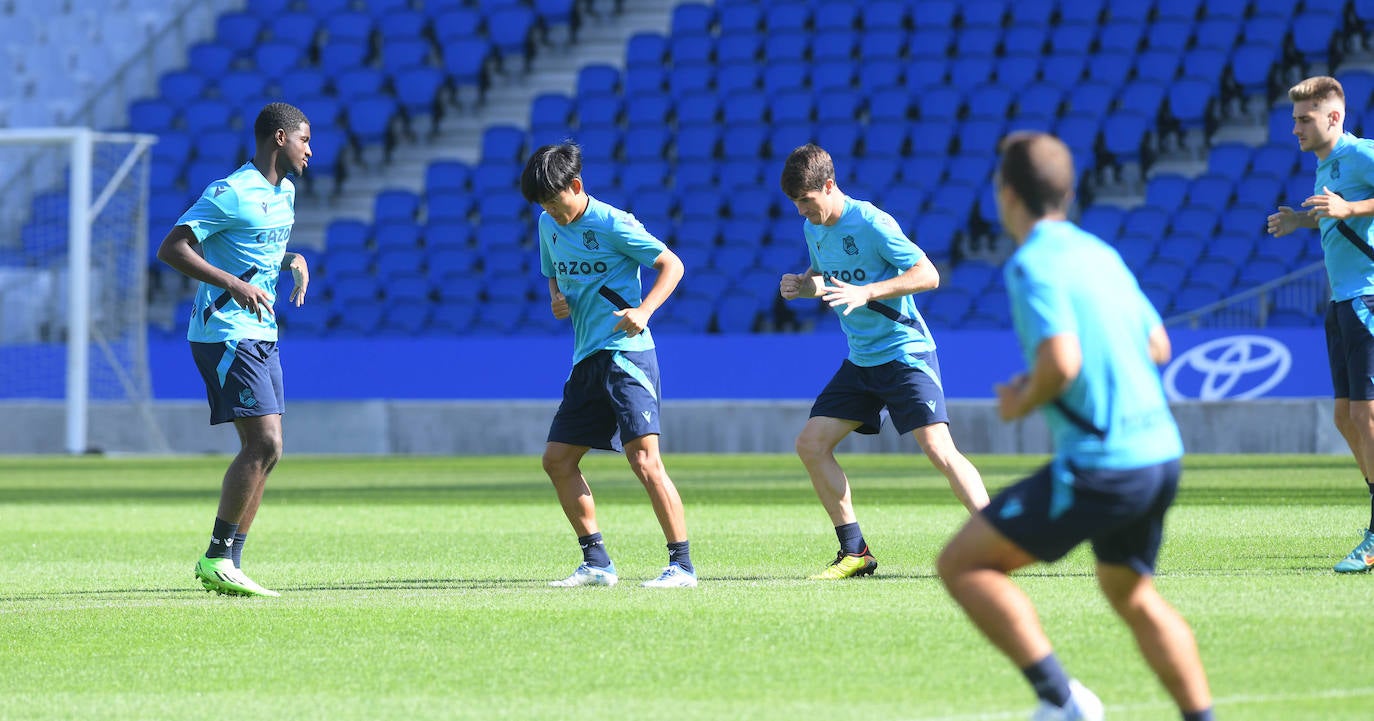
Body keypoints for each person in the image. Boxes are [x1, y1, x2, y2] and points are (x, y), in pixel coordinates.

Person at [937, 131, 1214, 721]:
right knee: (1130, 592)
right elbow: (1158, 344)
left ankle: (1061, 699)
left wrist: (1022, 400)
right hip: (1160, 452)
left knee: (962, 564)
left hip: (1104, 464)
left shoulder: (1032, 264)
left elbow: (1062, 362)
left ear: (1005, 193)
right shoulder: (1099, 252)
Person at [777, 143, 988, 580]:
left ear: (829, 186)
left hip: (905, 352)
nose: (801, 211)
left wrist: (868, 292)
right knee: (810, 445)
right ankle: (855, 552)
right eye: (796, 203)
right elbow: (827, 279)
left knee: (938, 449)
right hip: (862, 359)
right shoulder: (814, 229)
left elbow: (927, 274)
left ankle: (997, 539)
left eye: (806, 201)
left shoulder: (871, 222)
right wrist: (804, 285)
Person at [520, 142, 697, 588]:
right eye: (543, 206)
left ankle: (682, 566)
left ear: (576, 186)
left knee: (643, 459)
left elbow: (671, 265)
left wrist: (645, 312)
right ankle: (597, 562)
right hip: (586, 358)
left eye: (555, 202)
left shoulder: (615, 223)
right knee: (557, 460)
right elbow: (553, 276)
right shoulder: (548, 224)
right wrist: (557, 299)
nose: (552, 213)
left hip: (627, 356)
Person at [157, 102, 312, 598]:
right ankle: (216, 557)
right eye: (305, 140)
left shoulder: (285, 192)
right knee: (262, 443)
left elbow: (254, 249)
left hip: (262, 333)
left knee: (270, 450)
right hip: (224, 330)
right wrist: (233, 285)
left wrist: (293, 259)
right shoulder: (229, 192)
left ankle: (231, 561)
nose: (311, 151)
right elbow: (173, 247)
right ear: (280, 138)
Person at [1266, 75, 1374, 574]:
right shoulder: (1326, 167)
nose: (1295, 128)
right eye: (1294, 120)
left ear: (1333, 117)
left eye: (1304, 119)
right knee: (1345, 418)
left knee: (1367, 417)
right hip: (1341, 303)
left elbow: (1350, 210)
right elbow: (1333, 216)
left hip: (1368, 297)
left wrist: (1351, 206)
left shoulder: (1360, 155)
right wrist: (1299, 221)